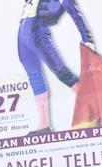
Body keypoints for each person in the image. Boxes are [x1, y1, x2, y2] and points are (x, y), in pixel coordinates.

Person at [17, 0, 95, 133]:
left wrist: (87, 39)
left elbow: (75, 12)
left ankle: (96, 111)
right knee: (35, 78)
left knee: (63, 73)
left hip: (38, 32)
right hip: (23, 32)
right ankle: (44, 125)